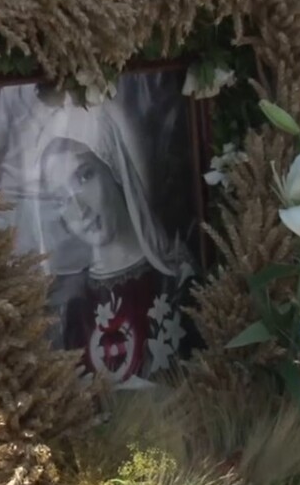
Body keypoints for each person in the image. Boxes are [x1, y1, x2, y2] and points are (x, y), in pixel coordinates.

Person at [34, 100, 197, 388]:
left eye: (84, 176)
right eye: (61, 199)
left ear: (114, 168)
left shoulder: (177, 281)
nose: (79, 210)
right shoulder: (65, 305)